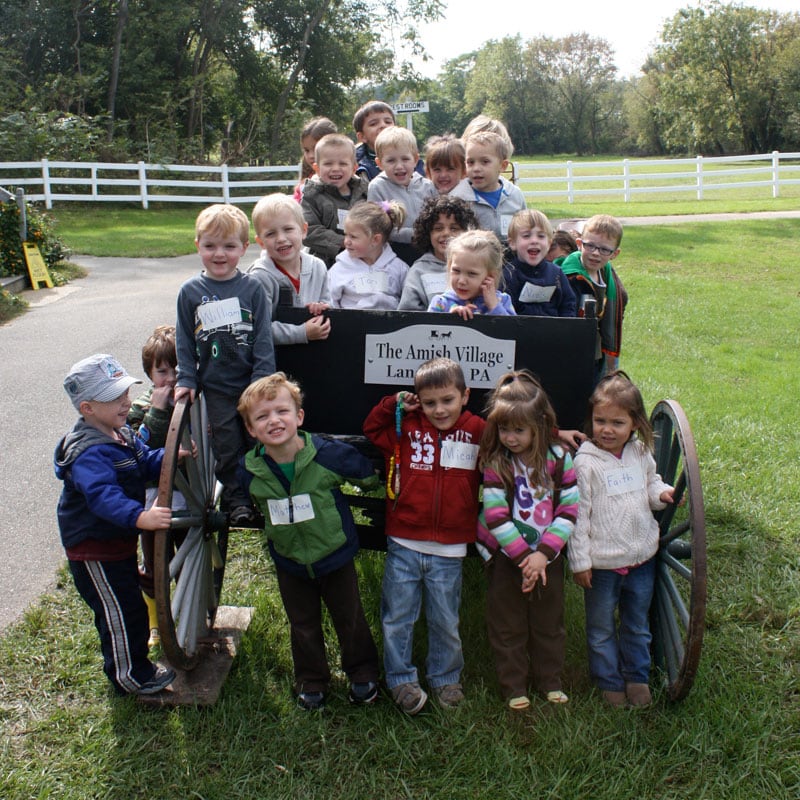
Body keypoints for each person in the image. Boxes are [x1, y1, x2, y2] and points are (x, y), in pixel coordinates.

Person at [238, 373, 381, 710]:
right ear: (251, 429)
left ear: (299, 417)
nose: (274, 421)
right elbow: (244, 498)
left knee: (350, 617)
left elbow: (364, 474)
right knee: (302, 623)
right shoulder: (251, 472)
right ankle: (312, 679)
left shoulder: (326, 455)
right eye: (262, 416)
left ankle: (362, 672)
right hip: (289, 559)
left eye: (282, 411)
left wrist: (373, 480)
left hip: (334, 554)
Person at [363, 358, 485, 714]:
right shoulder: (407, 428)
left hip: (449, 547)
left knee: (445, 618)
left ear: (465, 396)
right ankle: (400, 678)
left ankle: (445, 677)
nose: (439, 409)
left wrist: (556, 434)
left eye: (447, 400)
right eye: (429, 402)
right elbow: (372, 428)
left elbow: (514, 434)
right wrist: (394, 405)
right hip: (404, 541)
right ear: (419, 400)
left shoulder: (478, 429)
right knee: (398, 615)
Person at [54, 354, 176, 696]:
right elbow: (103, 497)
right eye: (114, 397)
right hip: (93, 551)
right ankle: (130, 677)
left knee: (131, 608)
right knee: (120, 614)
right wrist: (141, 517)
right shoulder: (89, 453)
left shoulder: (119, 433)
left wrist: (168, 457)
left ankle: (136, 665)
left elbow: (142, 462)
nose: (125, 401)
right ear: (87, 407)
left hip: (115, 545)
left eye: (125, 392)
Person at [570, 371, 675, 708]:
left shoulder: (640, 452)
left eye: (617, 422)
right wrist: (581, 562)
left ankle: (637, 677)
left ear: (634, 423)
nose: (607, 429)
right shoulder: (585, 463)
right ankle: (609, 681)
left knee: (636, 623)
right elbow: (577, 516)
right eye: (600, 420)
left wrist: (663, 494)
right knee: (601, 629)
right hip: (602, 564)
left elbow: (651, 484)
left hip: (641, 557)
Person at [477, 370, 579, 710]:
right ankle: (514, 684)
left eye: (519, 430)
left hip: (547, 557)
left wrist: (543, 556)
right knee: (507, 622)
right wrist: (524, 558)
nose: (510, 437)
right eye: (504, 429)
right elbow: (495, 515)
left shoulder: (559, 459)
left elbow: (568, 509)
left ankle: (550, 680)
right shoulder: (497, 463)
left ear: (540, 424)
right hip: (508, 558)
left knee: (549, 621)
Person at [175, 203, 275, 527]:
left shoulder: (252, 288)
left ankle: (268, 493)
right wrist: (187, 378)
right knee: (227, 445)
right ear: (197, 247)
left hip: (251, 383)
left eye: (229, 246)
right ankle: (237, 500)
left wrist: (262, 378)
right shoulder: (191, 292)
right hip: (216, 387)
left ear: (244, 248)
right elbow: (184, 341)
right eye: (210, 246)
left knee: (260, 440)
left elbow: (262, 336)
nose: (220, 254)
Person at [126, 324, 180, 648]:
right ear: (149, 373)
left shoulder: (193, 399)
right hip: (151, 495)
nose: (171, 378)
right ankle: (155, 620)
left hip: (189, 492)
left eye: (177, 369)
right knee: (153, 565)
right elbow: (138, 447)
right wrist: (158, 412)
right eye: (162, 371)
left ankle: (190, 610)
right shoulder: (142, 407)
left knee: (188, 559)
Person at [247, 193, 331, 345]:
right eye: (271, 233)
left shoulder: (318, 267)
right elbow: (257, 329)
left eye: (288, 229)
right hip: (275, 360)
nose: (281, 238)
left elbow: (329, 307)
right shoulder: (260, 277)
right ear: (260, 242)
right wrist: (301, 332)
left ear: (304, 230)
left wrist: (322, 309)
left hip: (314, 354)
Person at [559, 214, 628, 381]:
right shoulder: (567, 277)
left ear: (615, 253)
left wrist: (611, 366)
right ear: (579, 244)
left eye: (604, 249)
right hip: (570, 354)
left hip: (596, 353)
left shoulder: (608, 275)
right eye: (590, 246)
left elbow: (612, 318)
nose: (595, 253)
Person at [366, 126, 437, 265]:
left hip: (428, 250)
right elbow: (377, 226)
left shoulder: (427, 186)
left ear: (415, 160)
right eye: (391, 160)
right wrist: (414, 234)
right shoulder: (377, 187)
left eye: (405, 159)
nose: (399, 166)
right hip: (394, 252)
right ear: (379, 163)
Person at [398, 195, 478, 311]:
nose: (446, 233)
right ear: (428, 234)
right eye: (438, 228)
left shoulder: (478, 265)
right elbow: (407, 312)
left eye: (454, 228)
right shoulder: (418, 271)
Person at [301, 133, 369, 267]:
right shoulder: (312, 195)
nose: (336, 169)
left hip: (362, 259)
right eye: (328, 164)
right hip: (325, 262)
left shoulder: (364, 192)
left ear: (354, 168)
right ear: (317, 168)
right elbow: (309, 231)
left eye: (343, 163)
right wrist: (344, 242)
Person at [451, 128, 525, 247]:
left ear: (502, 165)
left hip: (512, 261)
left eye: (485, 162)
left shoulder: (515, 195)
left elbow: (525, 230)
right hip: (474, 261)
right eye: (470, 162)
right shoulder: (457, 199)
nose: (476, 168)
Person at [328, 200, 408, 309]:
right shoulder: (339, 269)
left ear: (375, 239)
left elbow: (408, 304)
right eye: (345, 235)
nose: (346, 241)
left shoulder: (399, 269)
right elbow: (329, 301)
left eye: (353, 237)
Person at [504, 209, 576, 317]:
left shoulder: (556, 274)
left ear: (549, 243)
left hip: (554, 331)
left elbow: (568, 305)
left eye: (541, 236)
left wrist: (564, 329)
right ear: (513, 243)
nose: (534, 240)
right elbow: (504, 311)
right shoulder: (508, 275)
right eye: (526, 236)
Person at [428, 229, 515, 318]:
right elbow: (424, 330)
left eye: (471, 273)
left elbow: (514, 331)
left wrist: (494, 306)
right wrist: (451, 319)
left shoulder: (502, 301)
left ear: (490, 276)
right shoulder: (441, 302)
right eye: (456, 271)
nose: (461, 281)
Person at [353, 100, 425, 182]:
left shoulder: (412, 157)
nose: (383, 125)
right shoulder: (355, 164)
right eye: (373, 124)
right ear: (362, 136)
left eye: (388, 122)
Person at [293, 116, 337, 202]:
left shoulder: (344, 179)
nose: (311, 156)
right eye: (306, 150)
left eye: (316, 148)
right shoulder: (303, 186)